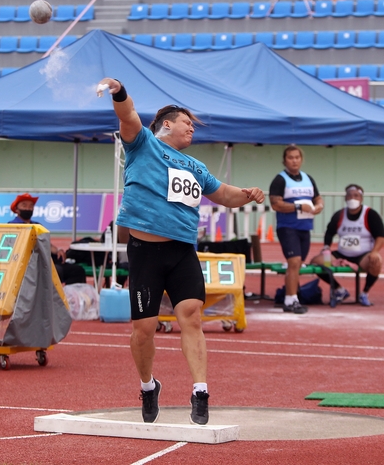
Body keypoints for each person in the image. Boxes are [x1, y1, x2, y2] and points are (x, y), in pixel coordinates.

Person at [96, 77, 265, 425]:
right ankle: (148, 386)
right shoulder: (143, 144)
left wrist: (248, 193)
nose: (192, 129)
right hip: (145, 253)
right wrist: (119, 90)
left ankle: (200, 392)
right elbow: (128, 116)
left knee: (191, 315)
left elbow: (225, 196)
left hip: (182, 253)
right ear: (166, 125)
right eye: (187, 123)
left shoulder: (197, 168)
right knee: (144, 330)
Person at [269, 145, 323, 314]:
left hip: (304, 228)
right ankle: (290, 300)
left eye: (297, 157)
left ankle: (292, 295)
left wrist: (319, 206)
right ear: (285, 160)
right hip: (287, 227)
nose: (294, 160)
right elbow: (275, 203)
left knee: (297, 264)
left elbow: (318, 198)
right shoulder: (280, 179)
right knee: (293, 262)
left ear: (301, 159)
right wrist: (298, 206)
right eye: (290, 157)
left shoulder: (308, 178)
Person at [310, 184, 384, 307]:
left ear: (361, 198)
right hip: (341, 255)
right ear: (345, 198)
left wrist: (375, 251)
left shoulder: (370, 214)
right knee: (317, 262)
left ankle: (364, 293)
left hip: (363, 255)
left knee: (376, 262)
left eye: (356, 195)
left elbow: (380, 236)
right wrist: (326, 247)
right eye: (349, 196)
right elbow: (329, 232)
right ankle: (339, 289)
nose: (352, 198)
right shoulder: (339, 215)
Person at [9, 193, 86, 286]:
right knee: (56, 271)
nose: (28, 208)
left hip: (46, 261)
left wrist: (58, 251)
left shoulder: (38, 226)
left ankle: (72, 298)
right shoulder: (12, 226)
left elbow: (46, 244)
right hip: (30, 264)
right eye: (24, 205)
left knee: (77, 270)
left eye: (31, 206)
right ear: (16, 209)